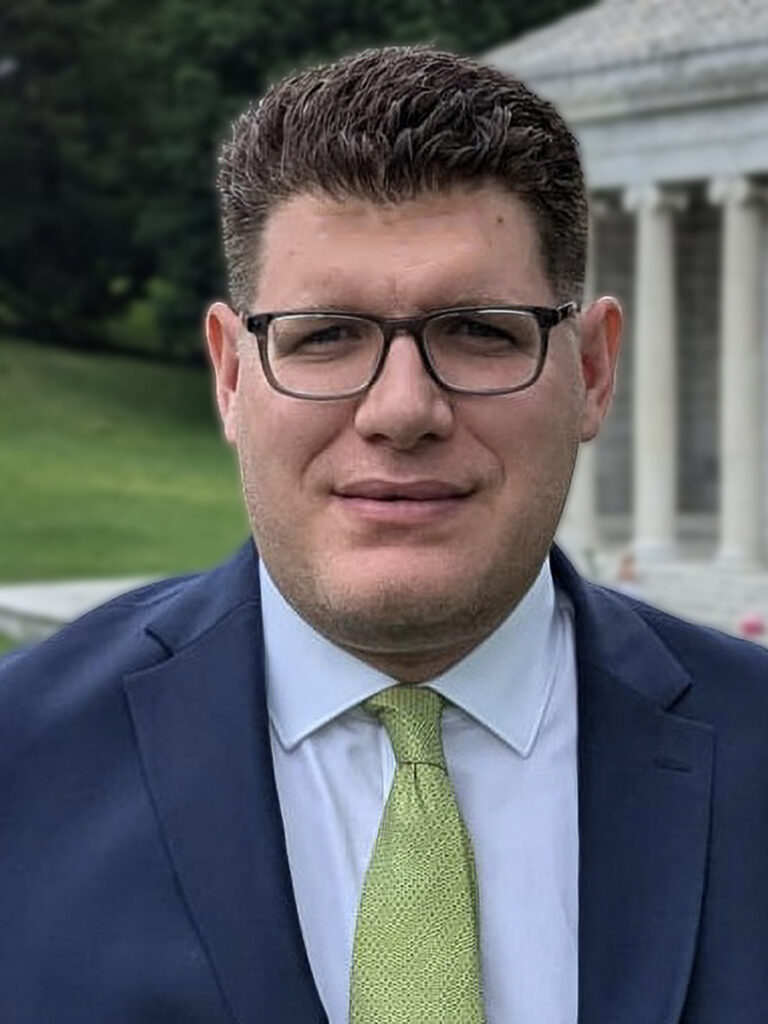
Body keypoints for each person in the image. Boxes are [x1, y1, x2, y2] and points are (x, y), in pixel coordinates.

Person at [1, 45, 767, 1024]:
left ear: (594, 372)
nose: (402, 409)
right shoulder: (17, 762)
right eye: (325, 335)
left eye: (480, 331)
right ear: (233, 377)